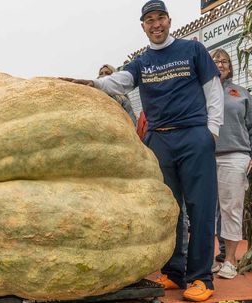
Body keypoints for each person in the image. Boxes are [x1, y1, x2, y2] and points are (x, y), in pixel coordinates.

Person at [60, 1, 224, 301]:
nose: (156, 24)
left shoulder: (193, 50)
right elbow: (120, 81)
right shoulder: (142, 61)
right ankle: (174, 272)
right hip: (159, 140)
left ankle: (201, 278)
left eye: (160, 18)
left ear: (169, 20)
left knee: (200, 208)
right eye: (149, 20)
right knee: (167, 209)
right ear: (143, 26)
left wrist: (211, 131)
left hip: (193, 135)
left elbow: (213, 88)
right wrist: (94, 83)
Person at [210, 48, 252, 279]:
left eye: (224, 61)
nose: (220, 64)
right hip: (204, 157)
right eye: (215, 61)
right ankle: (210, 259)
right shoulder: (200, 92)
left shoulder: (240, 93)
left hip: (235, 156)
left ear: (230, 67)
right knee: (205, 212)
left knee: (231, 209)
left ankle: (230, 260)